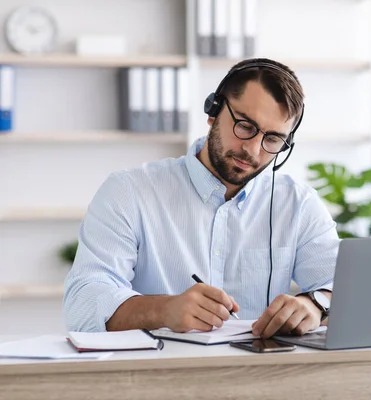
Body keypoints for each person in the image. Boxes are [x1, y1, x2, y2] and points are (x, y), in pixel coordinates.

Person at [63, 58, 339, 338]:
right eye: (245, 126)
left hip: (260, 378)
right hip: (158, 377)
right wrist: (163, 311)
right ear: (213, 111)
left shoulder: (298, 204)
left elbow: (347, 288)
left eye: (273, 140)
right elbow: (82, 305)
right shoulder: (129, 191)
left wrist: (314, 304)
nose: (253, 151)